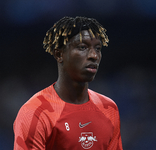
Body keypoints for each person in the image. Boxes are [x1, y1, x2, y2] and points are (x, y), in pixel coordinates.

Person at [13, 16, 123, 150]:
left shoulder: (109, 109)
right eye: (83, 47)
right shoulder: (35, 112)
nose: (94, 55)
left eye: (98, 48)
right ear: (59, 55)